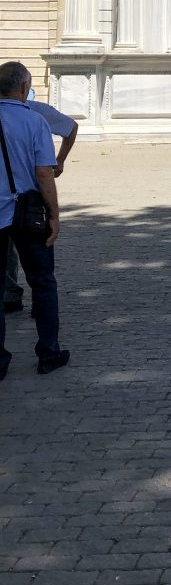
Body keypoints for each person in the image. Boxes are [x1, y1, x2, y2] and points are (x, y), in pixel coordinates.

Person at [0, 61, 69, 377]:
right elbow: (44, 173)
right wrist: (54, 214)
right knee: (42, 282)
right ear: (24, 88)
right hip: (27, 213)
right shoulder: (34, 121)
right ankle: (48, 353)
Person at [4, 97, 77, 316]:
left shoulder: (35, 111)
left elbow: (71, 127)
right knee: (37, 256)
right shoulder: (36, 112)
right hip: (30, 198)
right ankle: (39, 301)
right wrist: (60, 161)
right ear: (24, 87)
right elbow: (71, 127)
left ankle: (10, 293)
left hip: (11, 198)